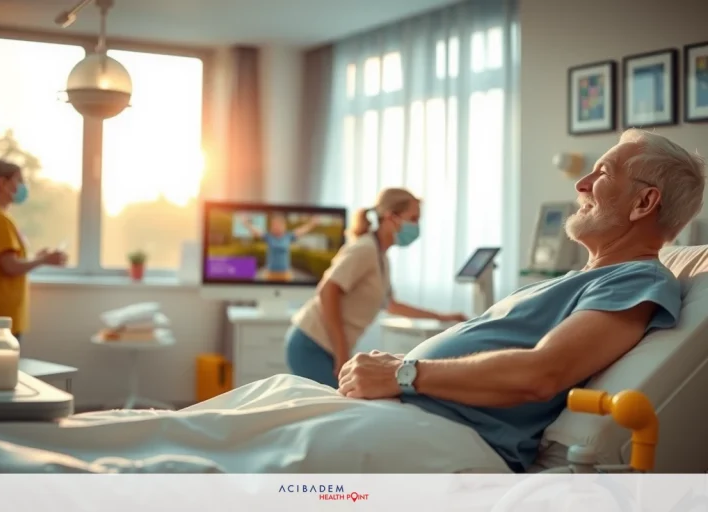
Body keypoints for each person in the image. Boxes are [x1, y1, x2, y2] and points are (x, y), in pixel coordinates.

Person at [333, 129, 705, 472]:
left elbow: (543, 373)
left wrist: (404, 373)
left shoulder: (637, 279)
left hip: (436, 434)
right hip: (401, 415)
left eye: (602, 173)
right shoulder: (580, 280)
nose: (581, 184)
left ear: (644, 202)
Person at [285, 187, 468, 388]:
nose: (416, 226)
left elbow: (391, 305)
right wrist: (342, 353)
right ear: (391, 217)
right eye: (413, 218)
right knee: (344, 407)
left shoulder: (380, 257)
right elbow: (328, 291)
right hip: (311, 343)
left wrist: (443, 317)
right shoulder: (364, 249)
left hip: (326, 346)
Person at [0, 160, 67, 362]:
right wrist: (44, 260)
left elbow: (9, 259)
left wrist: (37, 258)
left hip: (0, 315)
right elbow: (10, 266)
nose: (23, 186)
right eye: (19, 180)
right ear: (3, 183)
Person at [240, 213, 319, 281]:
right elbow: (256, 231)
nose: (276, 227)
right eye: (274, 225)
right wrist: (246, 223)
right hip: (270, 273)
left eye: (279, 225)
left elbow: (301, 231)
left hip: (285, 273)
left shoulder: (288, 236)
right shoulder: (269, 236)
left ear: (283, 226)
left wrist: (312, 224)